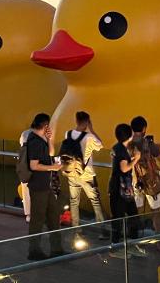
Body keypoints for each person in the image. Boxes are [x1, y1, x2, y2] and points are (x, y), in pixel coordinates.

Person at [24, 113, 64, 261]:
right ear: (46, 125)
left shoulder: (40, 139)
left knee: (54, 215)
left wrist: (49, 139)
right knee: (37, 219)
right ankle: (34, 251)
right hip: (38, 185)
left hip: (46, 185)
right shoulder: (34, 141)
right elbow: (33, 165)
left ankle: (56, 249)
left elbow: (51, 153)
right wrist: (52, 168)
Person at [63, 111, 108, 241]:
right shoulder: (89, 137)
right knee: (95, 201)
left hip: (71, 173)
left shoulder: (68, 133)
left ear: (76, 121)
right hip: (87, 174)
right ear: (87, 122)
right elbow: (100, 145)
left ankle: (76, 231)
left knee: (74, 202)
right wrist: (92, 129)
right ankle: (103, 231)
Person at [108, 123, 147, 259]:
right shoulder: (121, 150)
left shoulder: (117, 148)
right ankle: (115, 248)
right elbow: (124, 168)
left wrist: (132, 158)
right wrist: (136, 159)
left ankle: (132, 244)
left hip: (123, 188)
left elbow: (122, 164)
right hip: (120, 189)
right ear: (129, 136)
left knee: (132, 216)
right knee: (120, 218)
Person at [129, 116, 160, 240]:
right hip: (151, 181)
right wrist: (156, 147)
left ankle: (133, 238)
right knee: (156, 211)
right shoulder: (148, 143)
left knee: (136, 210)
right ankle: (159, 241)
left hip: (135, 182)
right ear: (144, 128)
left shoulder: (128, 144)